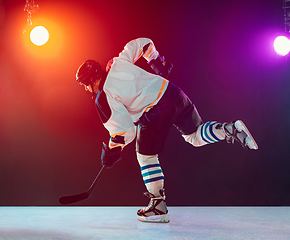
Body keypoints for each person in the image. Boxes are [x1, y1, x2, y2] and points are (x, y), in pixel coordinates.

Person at [75, 37, 258, 223]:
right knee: (195, 135)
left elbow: (125, 132)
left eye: (84, 84)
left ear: (91, 79)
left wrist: (112, 149)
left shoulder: (103, 97)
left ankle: (158, 206)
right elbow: (143, 43)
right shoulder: (118, 62)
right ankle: (229, 129)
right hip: (172, 92)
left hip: (155, 109)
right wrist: (155, 62)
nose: (85, 89)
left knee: (145, 156)